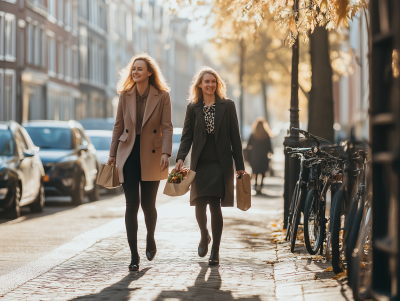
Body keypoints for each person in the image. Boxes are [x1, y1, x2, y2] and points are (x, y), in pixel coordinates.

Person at [108, 53, 172, 271]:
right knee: (131, 205)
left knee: (148, 205)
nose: (135, 72)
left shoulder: (162, 95)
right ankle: (134, 255)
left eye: (139, 69)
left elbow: (167, 126)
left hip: (153, 153)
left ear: (149, 72)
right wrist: (113, 153)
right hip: (128, 153)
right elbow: (118, 125)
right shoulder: (125, 95)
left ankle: (150, 238)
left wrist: (167, 152)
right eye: (133, 69)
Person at [175, 66, 245, 265]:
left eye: (213, 81)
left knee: (215, 205)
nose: (210, 85)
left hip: (220, 163)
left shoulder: (228, 105)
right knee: (199, 205)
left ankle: (215, 251)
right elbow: (186, 136)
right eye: (206, 81)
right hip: (200, 164)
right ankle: (204, 235)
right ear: (199, 85)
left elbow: (235, 137)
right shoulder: (193, 107)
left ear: (217, 84)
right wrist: (181, 157)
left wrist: (239, 165)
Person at [246, 117, 273, 194]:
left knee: (255, 172)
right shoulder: (266, 135)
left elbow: (248, 146)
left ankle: (255, 186)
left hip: (254, 157)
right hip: (263, 157)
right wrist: (271, 153)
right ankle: (260, 186)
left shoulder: (253, 135)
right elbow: (270, 147)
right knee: (262, 172)